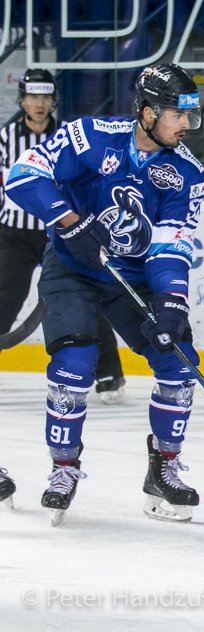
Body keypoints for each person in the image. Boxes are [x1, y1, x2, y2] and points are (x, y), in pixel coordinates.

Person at [5, 63, 204, 525]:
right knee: (74, 365)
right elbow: (23, 175)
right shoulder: (89, 137)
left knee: (179, 362)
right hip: (73, 270)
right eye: (178, 114)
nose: (186, 125)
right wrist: (69, 222)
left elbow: (172, 244)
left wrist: (171, 302)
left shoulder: (187, 172)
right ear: (148, 112)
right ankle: (64, 467)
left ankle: (164, 467)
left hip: (133, 279)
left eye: (190, 115)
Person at [0, 69, 127, 404]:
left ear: (54, 100)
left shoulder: (70, 136)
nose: (39, 103)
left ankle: (108, 372)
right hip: (14, 235)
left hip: (62, 233)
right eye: (32, 96)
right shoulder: (4, 138)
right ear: (22, 100)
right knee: (3, 299)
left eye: (45, 96)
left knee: (84, 297)